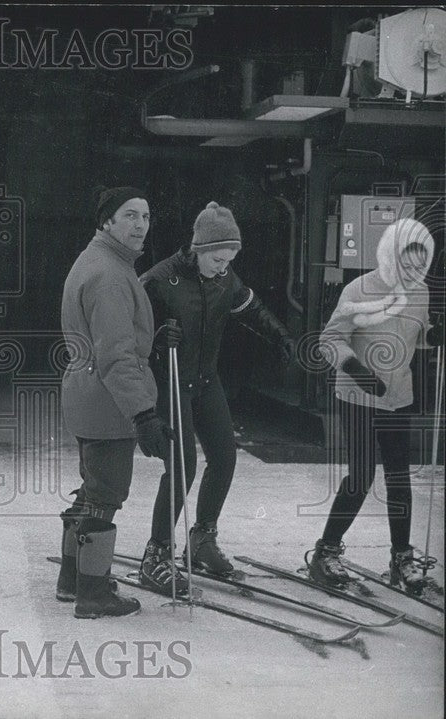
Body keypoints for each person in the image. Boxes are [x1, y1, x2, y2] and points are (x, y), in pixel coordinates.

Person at [137, 201, 296, 594]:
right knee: (183, 466)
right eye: (217, 259)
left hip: (206, 382)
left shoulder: (226, 278)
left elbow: (251, 307)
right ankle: (155, 554)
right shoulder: (158, 280)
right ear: (199, 248)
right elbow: (129, 331)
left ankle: (203, 538)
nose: (222, 267)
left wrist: (282, 336)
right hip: (170, 380)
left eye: (229, 260)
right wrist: (156, 342)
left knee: (225, 457)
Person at [308, 218, 440, 592]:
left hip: (399, 397)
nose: (413, 272)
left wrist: (434, 335)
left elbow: (418, 337)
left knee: (399, 479)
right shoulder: (359, 289)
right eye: (407, 264)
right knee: (361, 477)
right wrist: (355, 367)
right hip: (358, 395)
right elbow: (330, 339)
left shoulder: (421, 293)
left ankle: (401, 558)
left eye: (420, 266)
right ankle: (327, 552)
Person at [57, 186, 170, 620]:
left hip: (88, 394)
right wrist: (143, 414)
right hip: (108, 401)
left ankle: (72, 580)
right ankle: (93, 593)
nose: (140, 224)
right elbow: (117, 355)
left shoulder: (100, 262)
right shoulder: (109, 274)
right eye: (130, 215)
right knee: (105, 496)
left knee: (92, 490)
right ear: (107, 221)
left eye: (145, 215)